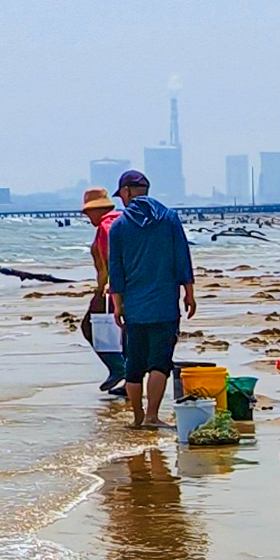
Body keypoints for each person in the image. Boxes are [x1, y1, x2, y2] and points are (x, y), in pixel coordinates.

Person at [103, 168, 196, 430]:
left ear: (127, 192)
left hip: (134, 307)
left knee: (134, 364)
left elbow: (116, 270)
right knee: (159, 362)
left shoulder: (119, 226)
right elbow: (182, 258)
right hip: (165, 306)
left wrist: (117, 304)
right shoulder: (169, 218)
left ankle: (137, 418)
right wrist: (189, 292)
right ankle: (152, 417)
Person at [80, 186, 131, 400]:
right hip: (125, 285)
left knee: (89, 327)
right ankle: (129, 381)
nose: (87, 216)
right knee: (124, 334)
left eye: (88, 211)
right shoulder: (121, 220)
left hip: (111, 287)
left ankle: (119, 368)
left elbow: (110, 259)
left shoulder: (105, 226)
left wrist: (105, 288)